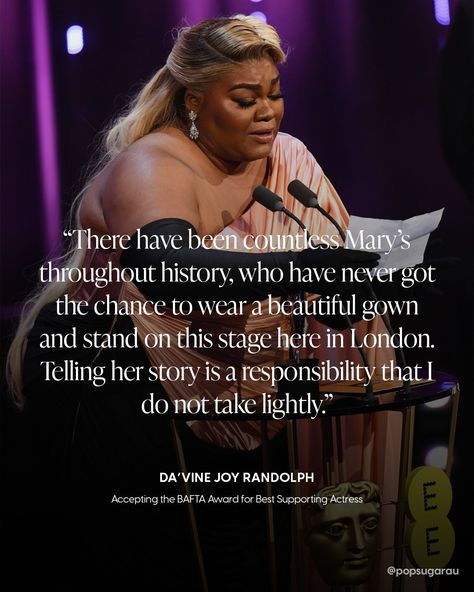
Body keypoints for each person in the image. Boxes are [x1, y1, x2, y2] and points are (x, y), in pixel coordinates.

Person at [6, 15, 387, 592]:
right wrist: (299, 270)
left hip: (248, 398)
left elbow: (330, 274)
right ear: (193, 101)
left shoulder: (287, 162)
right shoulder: (152, 166)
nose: (269, 112)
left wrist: (349, 292)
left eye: (275, 95)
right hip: (117, 381)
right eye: (244, 98)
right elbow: (173, 272)